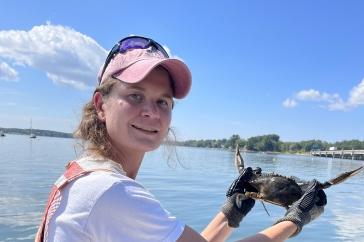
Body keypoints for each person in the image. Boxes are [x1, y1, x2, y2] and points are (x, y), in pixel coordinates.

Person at [35, 36, 327, 242]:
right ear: (100, 104)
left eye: (163, 101)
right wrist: (295, 220)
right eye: (135, 96)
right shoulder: (109, 192)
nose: (151, 111)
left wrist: (231, 213)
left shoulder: (86, 175)